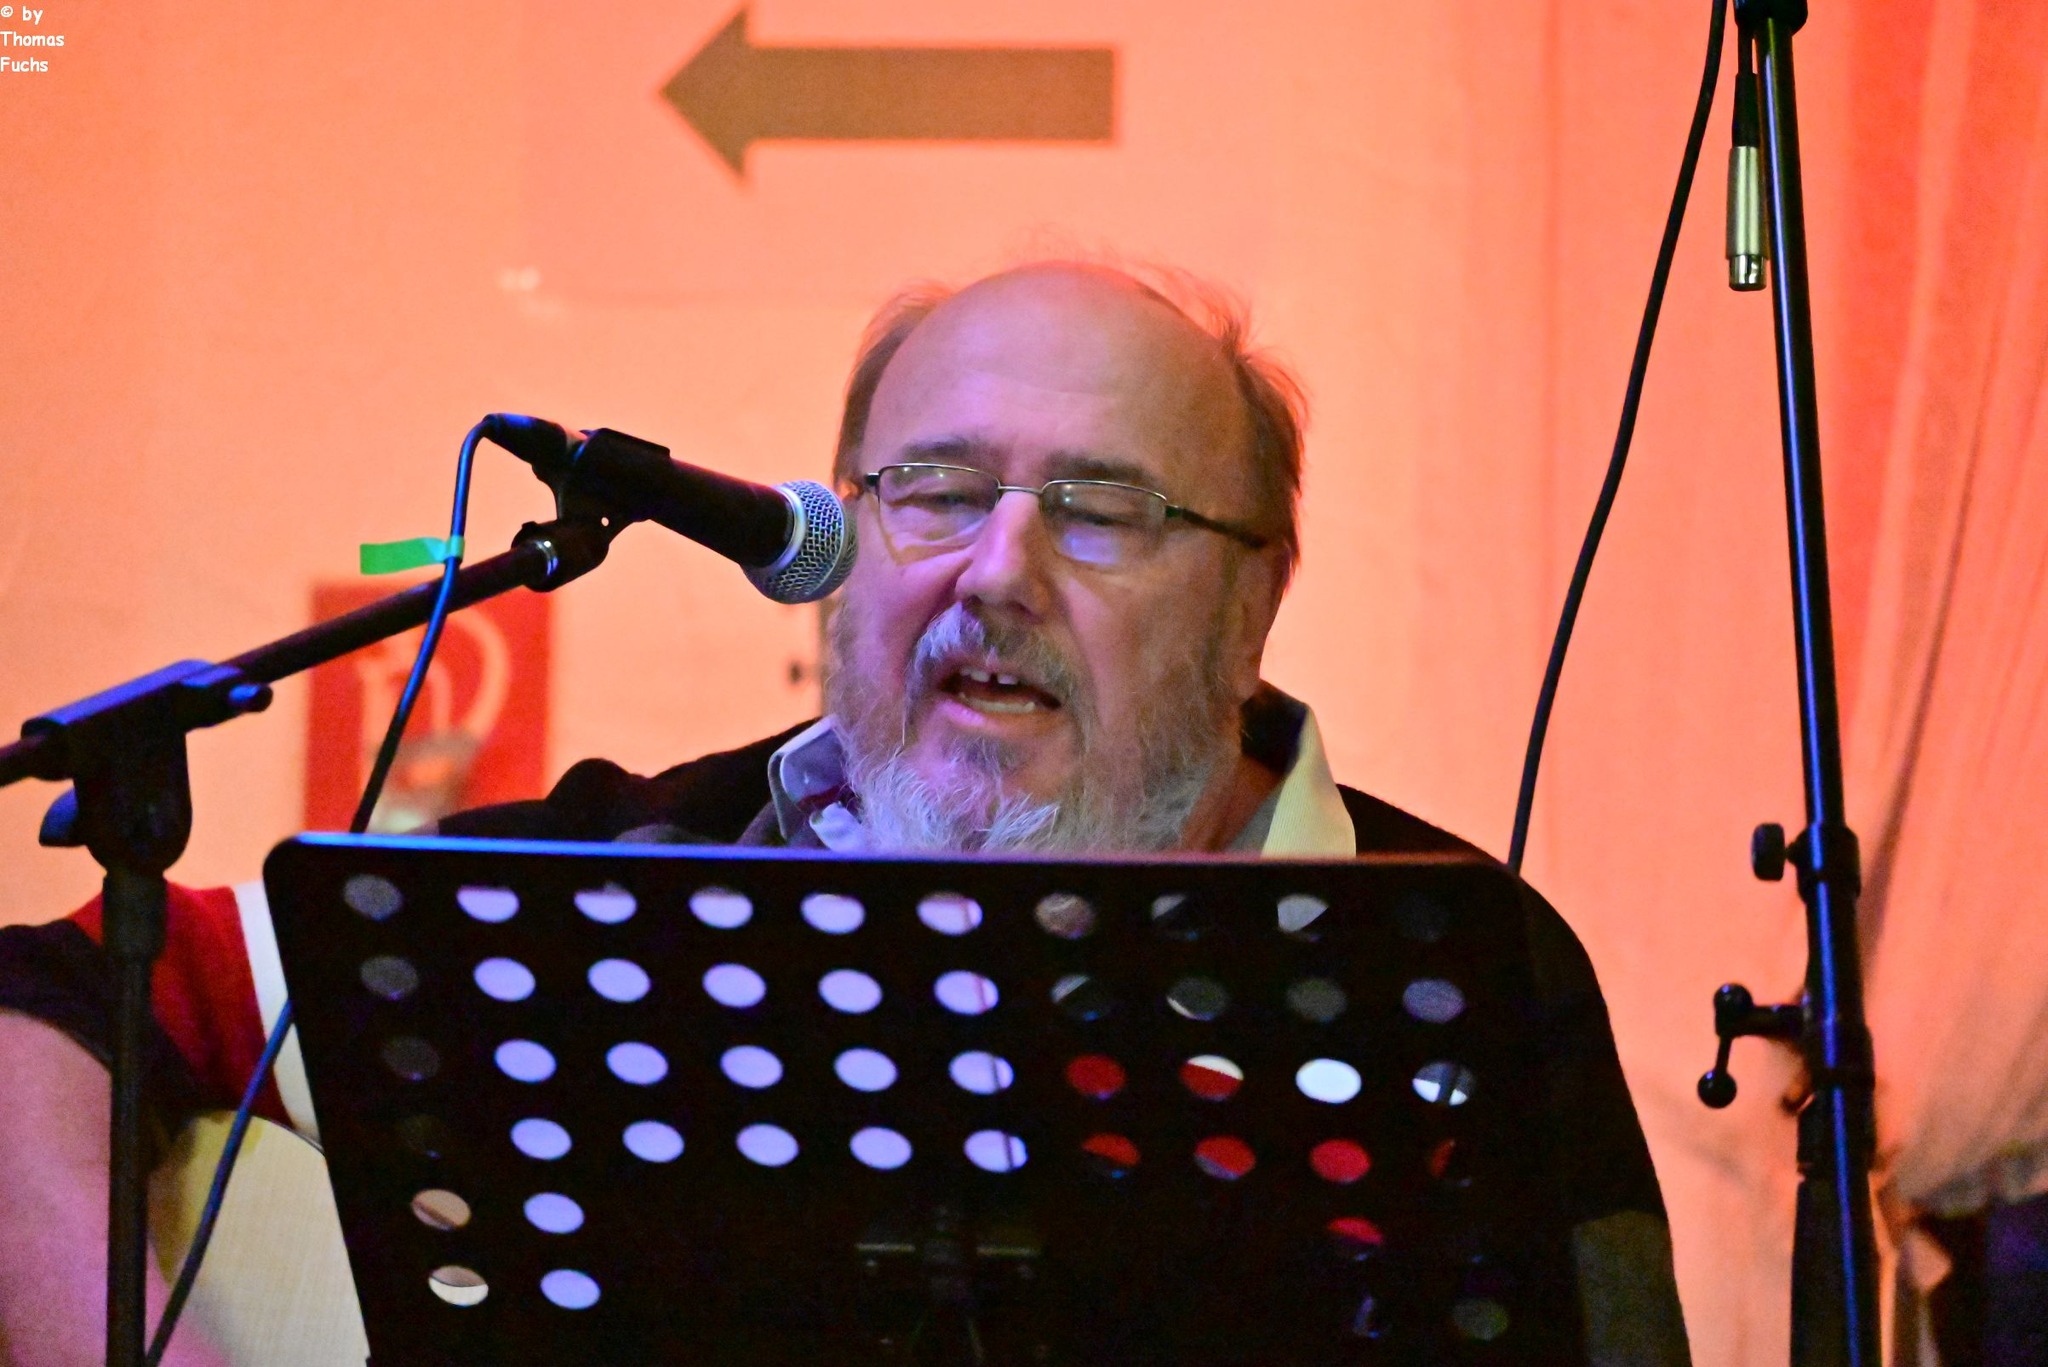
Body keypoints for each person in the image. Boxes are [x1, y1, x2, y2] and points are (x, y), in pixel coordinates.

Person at [0, 262, 1691, 1364]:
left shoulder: (1450, 956)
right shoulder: (634, 872)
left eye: (1102, 511)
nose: (998, 571)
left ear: (1255, 600)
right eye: (935, 491)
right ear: (838, 547)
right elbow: (47, 1006)